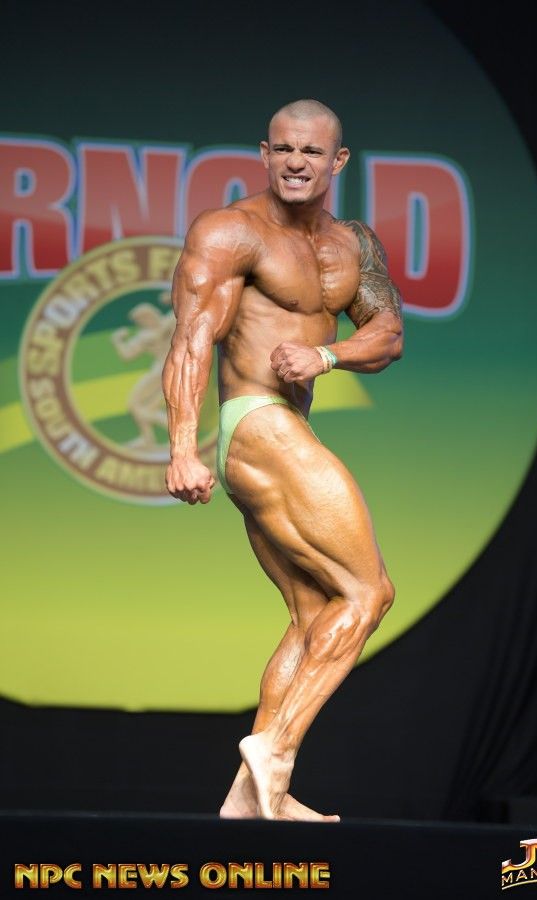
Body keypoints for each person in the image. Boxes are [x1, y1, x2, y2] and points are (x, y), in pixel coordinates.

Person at [162, 99, 403, 821]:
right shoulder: (231, 231)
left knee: (314, 614)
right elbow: (191, 338)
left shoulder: (353, 245)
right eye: (284, 149)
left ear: (338, 161)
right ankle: (275, 751)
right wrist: (181, 448)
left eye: (312, 151)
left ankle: (249, 798)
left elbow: (387, 335)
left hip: (285, 425)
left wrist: (326, 355)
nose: (297, 162)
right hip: (255, 421)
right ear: (265, 155)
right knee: (368, 594)